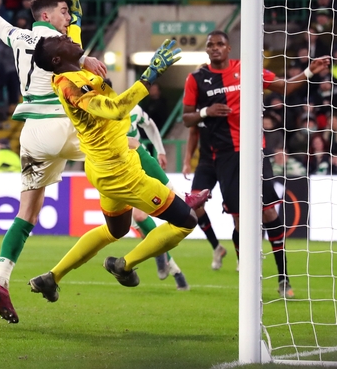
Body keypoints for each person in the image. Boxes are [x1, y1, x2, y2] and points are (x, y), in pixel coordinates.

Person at [0, 0, 107, 324]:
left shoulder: (18, 36)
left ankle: (1, 281)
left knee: (28, 213)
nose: (68, 18)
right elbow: (72, 56)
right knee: (125, 146)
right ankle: (169, 208)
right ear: (48, 16)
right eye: (64, 13)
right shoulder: (56, 44)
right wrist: (86, 58)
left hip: (32, 134)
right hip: (61, 124)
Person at [27, 36, 210, 302]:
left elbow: (70, 50)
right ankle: (123, 265)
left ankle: (51, 278)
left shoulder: (71, 73)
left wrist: (74, 19)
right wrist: (148, 76)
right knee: (186, 222)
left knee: (116, 230)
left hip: (104, 165)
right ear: (57, 59)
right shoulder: (70, 86)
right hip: (120, 173)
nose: (66, 36)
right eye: (61, 39)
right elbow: (113, 109)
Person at [181, 30, 330, 298]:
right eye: (210, 45)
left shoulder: (246, 70)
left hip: (254, 151)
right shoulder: (196, 79)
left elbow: (284, 86)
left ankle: (283, 277)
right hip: (224, 156)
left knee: (270, 213)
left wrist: (309, 72)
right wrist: (206, 112)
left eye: (220, 45)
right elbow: (187, 119)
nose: (215, 49)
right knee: (239, 220)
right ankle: (248, 275)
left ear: (228, 48)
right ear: (206, 50)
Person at [104, 77, 191, 290]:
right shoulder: (95, 115)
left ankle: (164, 259)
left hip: (136, 167)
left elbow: (149, 125)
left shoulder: (129, 109)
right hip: (113, 172)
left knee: (140, 216)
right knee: (137, 219)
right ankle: (174, 269)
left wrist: (160, 149)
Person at [182, 125, 227, 270]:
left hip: (228, 161)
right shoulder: (200, 110)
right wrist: (187, 160)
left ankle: (242, 258)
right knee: (195, 205)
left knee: (235, 209)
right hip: (206, 163)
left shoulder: (228, 106)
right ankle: (217, 247)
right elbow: (193, 132)